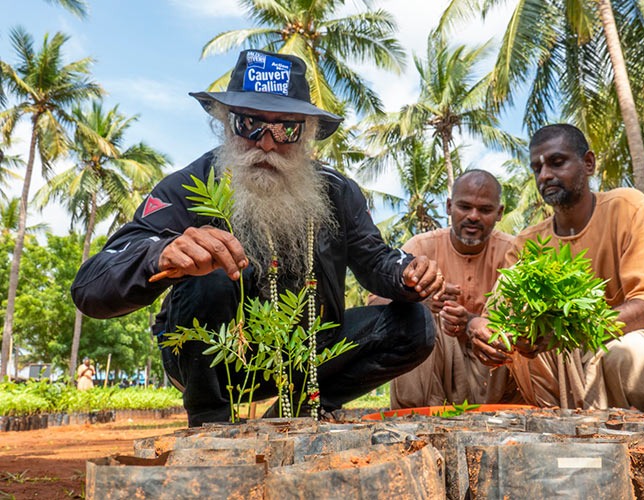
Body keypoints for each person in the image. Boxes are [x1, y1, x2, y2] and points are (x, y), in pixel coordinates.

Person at [71, 50, 446, 426]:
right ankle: (210, 423)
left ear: (308, 134)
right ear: (225, 124)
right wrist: (161, 255)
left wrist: (408, 274)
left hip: (305, 358)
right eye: (249, 124)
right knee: (213, 273)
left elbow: (375, 260)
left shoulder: (337, 191)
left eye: (286, 129)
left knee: (414, 324)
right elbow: (91, 285)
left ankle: (295, 414)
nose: (266, 143)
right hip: (216, 360)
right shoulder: (187, 185)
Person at [467, 124, 644, 411]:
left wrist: (569, 332)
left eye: (557, 162)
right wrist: (480, 327)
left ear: (588, 163)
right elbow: (498, 318)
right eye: (537, 168)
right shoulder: (526, 243)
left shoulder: (628, 207)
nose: (545, 175)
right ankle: (568, 439)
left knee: (629, 355)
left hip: (637, 340)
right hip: (562, 363)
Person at [370, 170, 521, 408]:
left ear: (500, 213)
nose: (473, 216)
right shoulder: (420, 247)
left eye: (484, 210)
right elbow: (375, 303)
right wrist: (419, 300)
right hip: (433, 376)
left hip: (495, 372)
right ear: (449, 206)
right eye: (464, 207)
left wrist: (471, 322)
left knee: (522, 299)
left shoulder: (514, 251)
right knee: (415, 314)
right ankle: (415, 416)